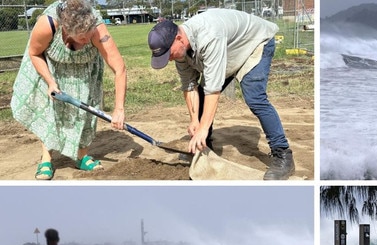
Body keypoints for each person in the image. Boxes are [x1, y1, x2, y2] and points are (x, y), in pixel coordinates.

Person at [147, 12, 295, 180]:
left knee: (255, 97)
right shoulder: (180, 50)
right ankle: (203, 145)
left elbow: (213, 89)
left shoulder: (209, 36)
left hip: (255, 43)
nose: (170, 59)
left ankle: (283, 155)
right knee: (200, 97)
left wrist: (202, 128)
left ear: (179, 39)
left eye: (169, 54)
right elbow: (189, 86)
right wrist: (195, 120)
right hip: (230, 48)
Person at [10, 0, 126, 180]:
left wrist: (119, 109)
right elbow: (34, 53)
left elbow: (119, 68)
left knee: (86, 111)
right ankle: (46, 159)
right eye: (82, 38)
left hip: (85, 69)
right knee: (49, 109)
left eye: (89, 35)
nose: (88, 41)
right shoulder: (48, 25)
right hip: (50, 67)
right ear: (66, 29)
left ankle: (82, 156)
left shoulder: (97, 30)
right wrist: (50, 82)